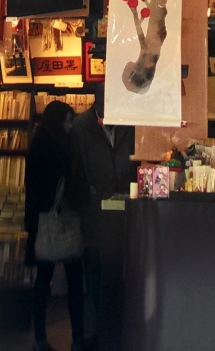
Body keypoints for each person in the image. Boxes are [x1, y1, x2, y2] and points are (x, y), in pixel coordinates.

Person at [72, 88, 134, 350]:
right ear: (97, 103)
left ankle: (115, 332)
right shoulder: (80, 127)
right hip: (93, 213)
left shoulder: (129, 123)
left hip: (126, 213)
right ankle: (92, 335)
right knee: (93, 276)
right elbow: (75, 169)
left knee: (119, 275)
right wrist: (88, 198)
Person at [25, 100, 85, 351]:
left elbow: (32, 190)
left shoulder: (39, 143)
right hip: (60, 220)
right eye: (67, 121)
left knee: (43, 281)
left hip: (44, 222)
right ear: (58, 122)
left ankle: (40, 338)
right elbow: (72, 185)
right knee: (74, 283)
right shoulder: (64, 147)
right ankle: (77, 338)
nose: (70, 126)